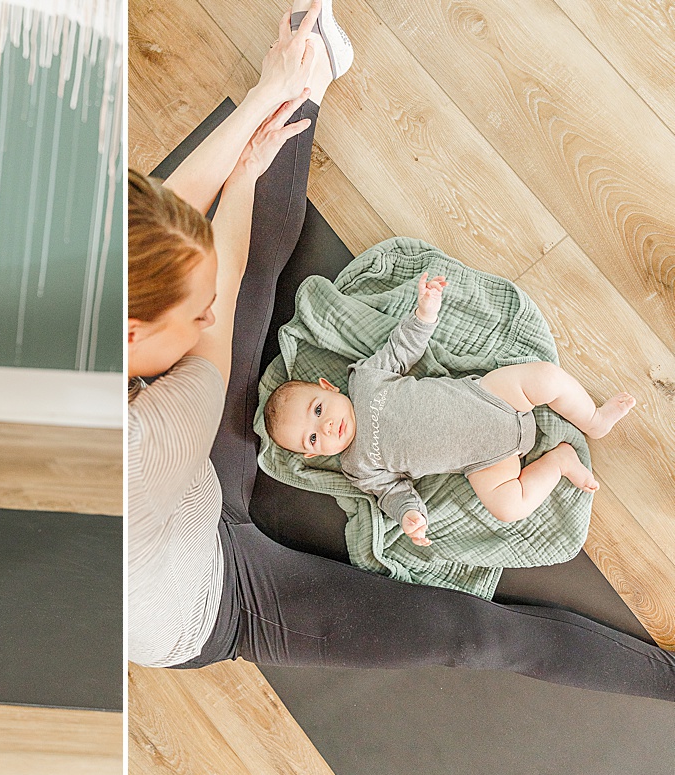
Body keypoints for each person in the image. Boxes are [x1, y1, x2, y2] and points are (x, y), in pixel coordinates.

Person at [128, 0, 675, 700]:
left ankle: (313, 65)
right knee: (473, 638)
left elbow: (157, 225)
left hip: (178, 489)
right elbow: (226, 276)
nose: (209, 319)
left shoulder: (95, 315)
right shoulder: (154, 432)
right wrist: (240, 181)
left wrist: (272, 95)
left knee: (214, 260)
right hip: (214, 601)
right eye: (194, 316)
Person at [263, 272, 636, 545]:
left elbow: (402, 349)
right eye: (312, 437)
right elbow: (394, 493)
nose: (326, 427)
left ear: (328, 388)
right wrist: (410, 515)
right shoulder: (357, 467)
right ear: (313, 453)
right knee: (507, 507)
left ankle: (593, 419)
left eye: (317, 410)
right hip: (483, 462)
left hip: (488, 397)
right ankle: (559, 462)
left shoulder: (365, 380)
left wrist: (424, 313)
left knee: (546, 378)